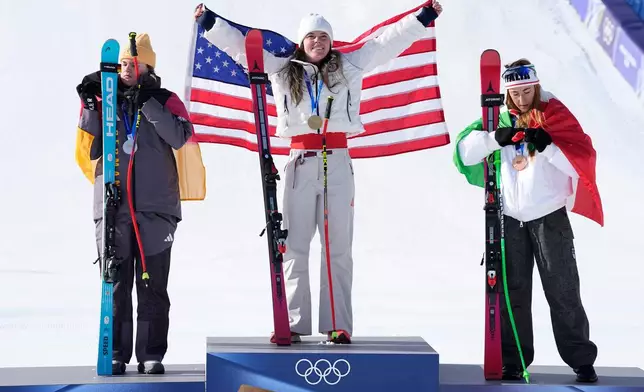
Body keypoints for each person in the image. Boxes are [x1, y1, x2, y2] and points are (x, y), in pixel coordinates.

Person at [194, 1, 442, 344]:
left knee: (337, 246)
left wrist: (422, 18)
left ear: (330, 40)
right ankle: (293, 322)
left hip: (338, 159)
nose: (317, 42)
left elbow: (387, 42)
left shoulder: (349, 65)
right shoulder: (282, 69)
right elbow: (243, 50)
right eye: (311, 37)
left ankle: (338, 323)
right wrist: (210, 23)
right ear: (301, 41)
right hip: (300, 161)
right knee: (294, 246)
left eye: (323, 36)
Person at [453, 59, 603, 383]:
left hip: (548, 216)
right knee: (512, 292)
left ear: (535, 87)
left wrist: (547, 147)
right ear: (507, 94)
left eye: (526, 91)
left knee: (563, 289)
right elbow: (464, 152)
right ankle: (514, 359)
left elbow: (580, 165)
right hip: (509, 218)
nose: (521, 99)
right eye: (515, 93)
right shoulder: (498, 120)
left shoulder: (554, 116)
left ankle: (581, 359)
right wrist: (496, 138)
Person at [75, 33, 194, 375]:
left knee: (152, 284)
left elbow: (179, 136)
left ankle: (151, 354)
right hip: (112, 205)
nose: (128, 68)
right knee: (114, 282)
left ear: (148, 66)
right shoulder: (104, 99)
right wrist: (92, 105)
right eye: (124, 63)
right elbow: (92, 148)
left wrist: (148, 104)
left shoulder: (165, 99)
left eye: (135, 62)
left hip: (156, 209)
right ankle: (115, 352)